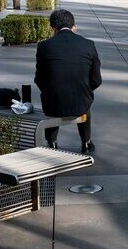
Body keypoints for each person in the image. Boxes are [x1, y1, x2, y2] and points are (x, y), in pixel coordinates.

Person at [34, 9, 102, 154]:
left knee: (53, 99)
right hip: (81, 103)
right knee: (85, 104)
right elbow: (96, 79)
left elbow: (39, 79)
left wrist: (52, 89)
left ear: (52, 28)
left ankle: (51, 143)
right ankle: (86, 143)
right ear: (74, 27)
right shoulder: (88, 44)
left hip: (53, 104)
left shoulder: (44, 46)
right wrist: (84, 88)